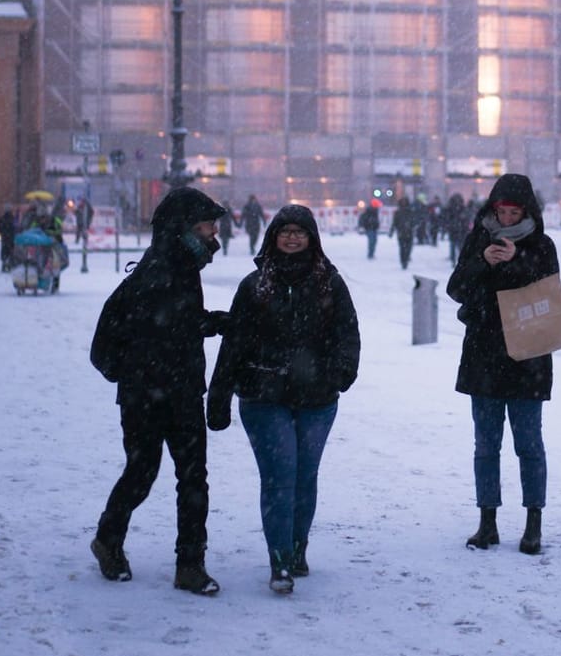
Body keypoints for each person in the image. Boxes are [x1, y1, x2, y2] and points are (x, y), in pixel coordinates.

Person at [208, 205, 360, 595]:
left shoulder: (330, 283)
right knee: (279, 477)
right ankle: (279, 560)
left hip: (317, 397)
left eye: (300, 232)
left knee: (304, 476)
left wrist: (340, 374)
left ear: (312, 238)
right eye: (285, 231)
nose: (292, 238)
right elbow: (235, 342)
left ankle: (297, 547)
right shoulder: (255, 285)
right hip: (263, 396)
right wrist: (220, 395)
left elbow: (348, 332)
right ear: (273, 236)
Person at [88, 187, 231, 596]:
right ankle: (110, 541)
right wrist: (204, 326)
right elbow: (158, 329)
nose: (212, 234)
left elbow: (177, 323)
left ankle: (189, 563)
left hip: (179, 389)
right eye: (207, 226)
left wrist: (210, 322)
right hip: (149, 394)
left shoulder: (182, 265)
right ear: (182, 228)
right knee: (148, 472)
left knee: (187, 478)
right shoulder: (160, 270)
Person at [447, 174, 557, 556]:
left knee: (529, 445)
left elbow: (548, 292)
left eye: (514, 213)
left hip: (528, 356)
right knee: (486, 445)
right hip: (484, 356)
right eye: (502, 212)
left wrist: (517, 261)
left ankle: (533, 523)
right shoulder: (479, 239)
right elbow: (456, 288)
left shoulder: (542, 245)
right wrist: (481, 262)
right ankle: (487, 522)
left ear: (527, 212)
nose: (507, 219)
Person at [390, 197, 416, 270]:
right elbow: (395, 222)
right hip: (401, 233)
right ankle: (403, 261)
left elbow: (414, 221)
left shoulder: (410, 212)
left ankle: (406, 259)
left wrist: (412, 226)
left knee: (408, 248)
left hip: (409, 233)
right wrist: (391, 231)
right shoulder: (398, 212)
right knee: (402, 248)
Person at [0, 205, 18, 270]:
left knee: (4, 250)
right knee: (11, 250)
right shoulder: (13, 218)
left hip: (4, 237)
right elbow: (15, 227)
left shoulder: (2, 218)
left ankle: (4, 262)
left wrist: (2, 233)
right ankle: (9, 263)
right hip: (11, 237)